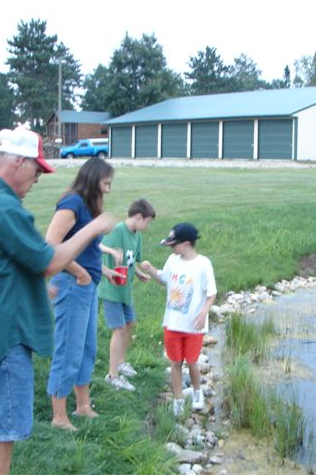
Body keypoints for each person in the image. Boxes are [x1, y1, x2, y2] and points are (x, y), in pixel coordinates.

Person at [0, 128, 115, 475]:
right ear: (18, 161)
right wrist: (92, 228)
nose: (38, 179)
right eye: (37, 170)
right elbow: (49, 262)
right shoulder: (1, 207)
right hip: (3, 336)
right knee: (2, 433)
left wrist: (34, 288)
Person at [45, 157, 121, 431]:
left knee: (87, 348)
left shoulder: (87, 207)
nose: (108, 190)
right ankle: (59, 416)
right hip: (71, 285)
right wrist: (80, 274)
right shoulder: (72, 203)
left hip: (87, 286)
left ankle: (82, 406)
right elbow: (50, 247)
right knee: (69, 349)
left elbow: (84, 249)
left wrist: (103, 271)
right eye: (105, 183)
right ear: (92, 180)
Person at [140, 223, 217, 416]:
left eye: (174, 244)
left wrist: (204, 312)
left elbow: (211, 293)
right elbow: (164, 279)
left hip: (193, 326)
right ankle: (178, 399)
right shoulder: (172, 260)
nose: (171, 248)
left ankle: (197, 392)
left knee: (192, 362)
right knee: (175, 363)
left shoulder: (203, 264)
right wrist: (151, 270)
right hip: (173, 323)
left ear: (187, 244)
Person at [99, 198, 156, 391]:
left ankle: (121, 362)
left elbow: (131, 260)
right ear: (139, 217)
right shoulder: (117, 231)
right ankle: (112, 375)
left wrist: (138, 273)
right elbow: (96, 249)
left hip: (126, 291)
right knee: (119, 328)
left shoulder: (136, 235)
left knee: (129, 323)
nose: (148, 226)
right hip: (111, 289)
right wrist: (109, 260)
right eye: (148, 221)